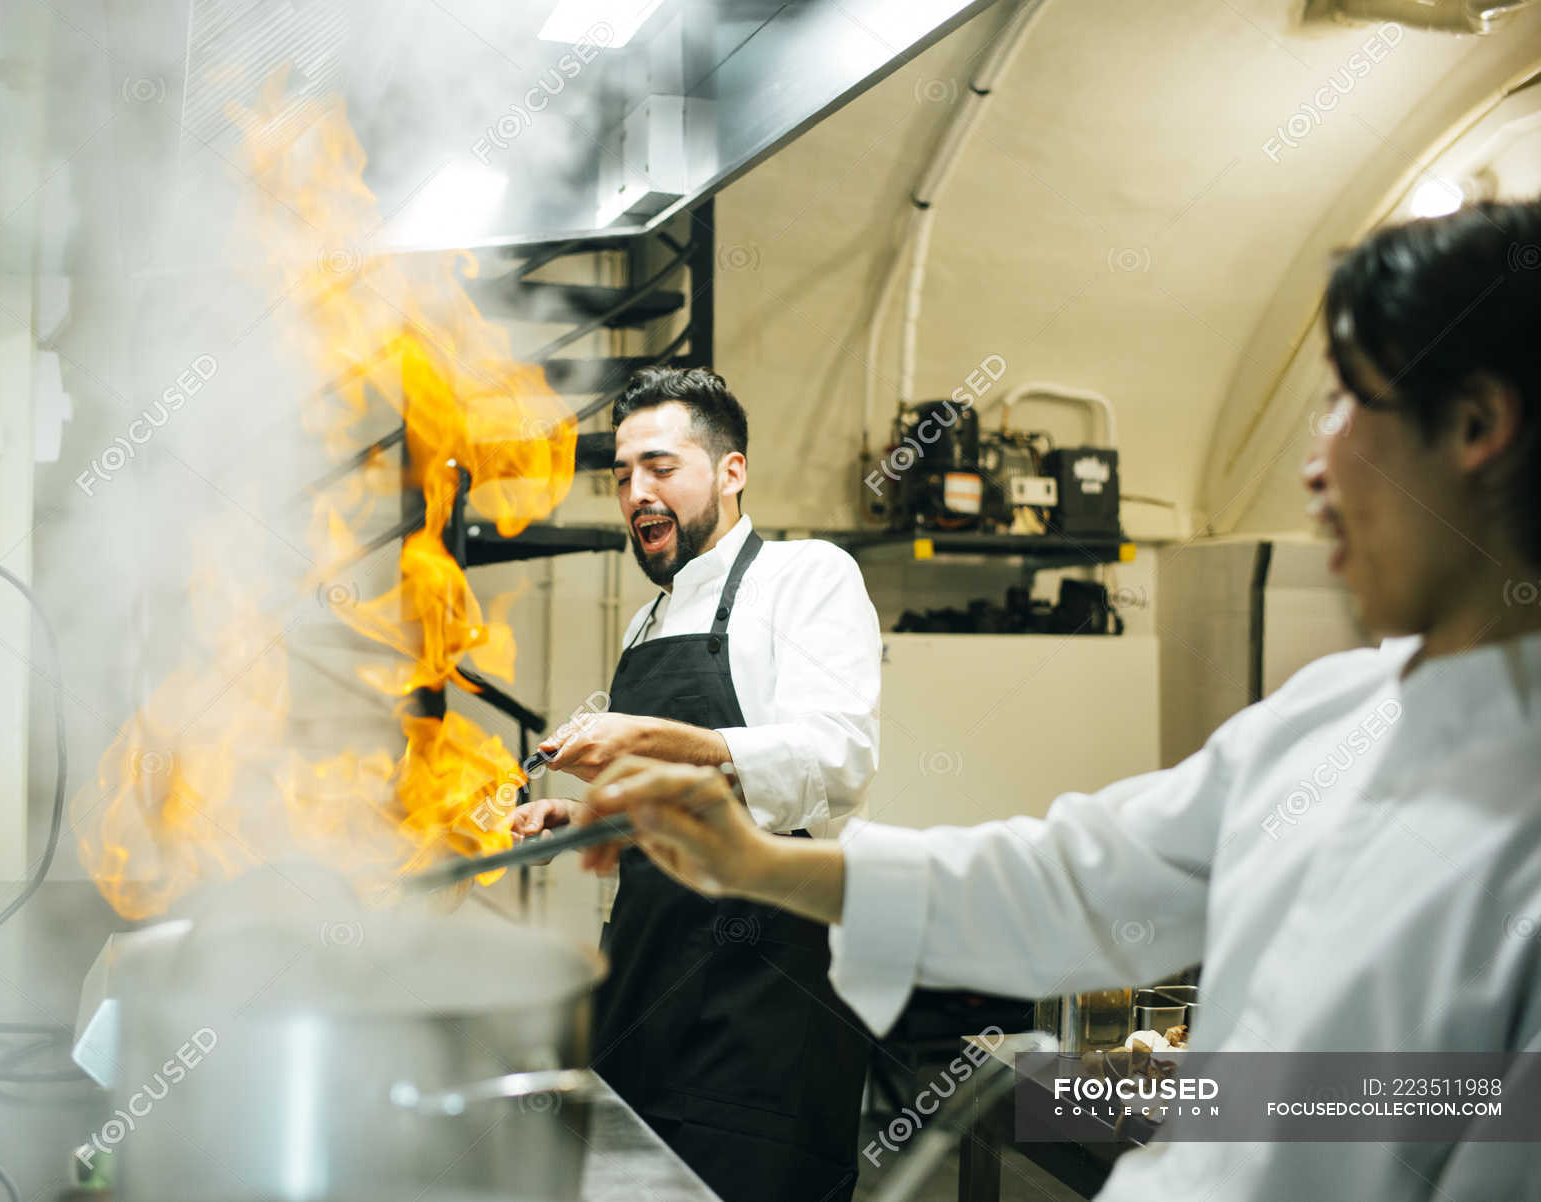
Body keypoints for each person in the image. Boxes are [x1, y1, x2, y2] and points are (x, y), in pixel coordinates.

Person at [573, 199, 1541, 1199]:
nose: (1312, 464)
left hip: (755, 1041)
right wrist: (752, 859)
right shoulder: (1331, 714)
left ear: (1475, 425)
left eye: (1347, 404)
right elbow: (1073, 881)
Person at [509, 366, 883, 1202]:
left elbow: (837, 759)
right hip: (644, 986)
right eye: (620, 476)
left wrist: (652, 738)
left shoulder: (808, 577)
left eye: (660, 467)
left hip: (765, 1000)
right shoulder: (648, 618)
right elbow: (687, 809)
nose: (636, 492)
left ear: (731, 470)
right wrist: (585, 815)